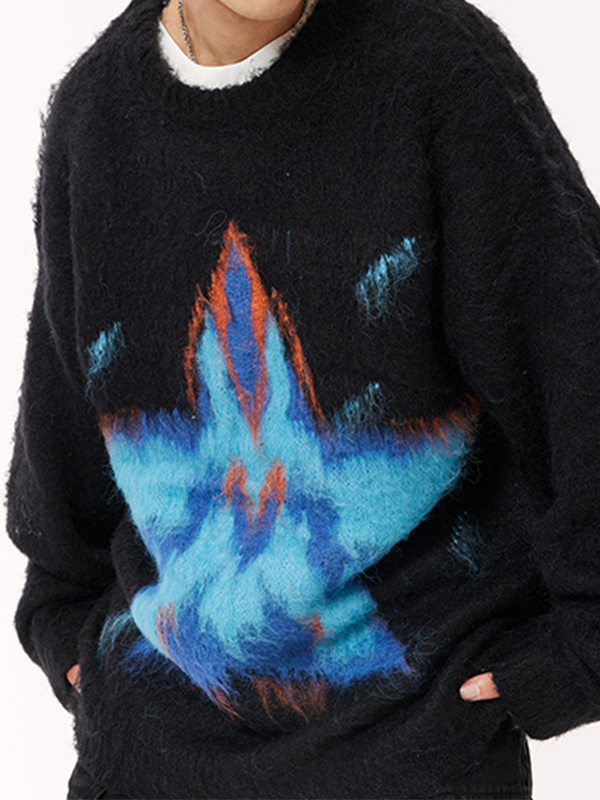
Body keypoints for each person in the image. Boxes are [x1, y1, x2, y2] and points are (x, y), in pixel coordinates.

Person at [6, 0, 600, 797]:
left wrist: (578, 658)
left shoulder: (439, 69)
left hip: (411, 756)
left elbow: (575, 360)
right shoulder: (94, 112)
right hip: (147, 760)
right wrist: (59, 616)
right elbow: (66, 422)